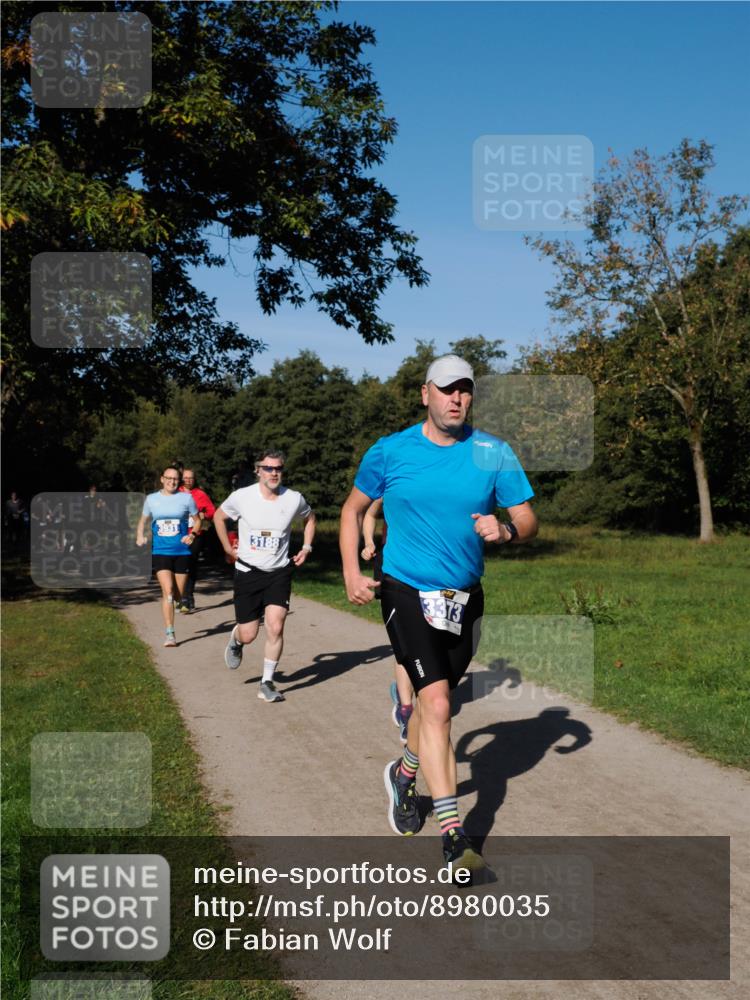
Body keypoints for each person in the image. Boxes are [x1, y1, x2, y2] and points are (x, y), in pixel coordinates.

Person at [340, 354, 538, 875]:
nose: (457, 398)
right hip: (404, 589)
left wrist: (508, 531)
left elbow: (527, 519)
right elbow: (352, 510)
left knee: (437, 708)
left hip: (464, 599)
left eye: (465, 389)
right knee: (438, 706)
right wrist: (350, 573)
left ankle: (406, 773)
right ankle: (455, 834)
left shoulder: (493, 452)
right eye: (447, 389)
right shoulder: (391, 451)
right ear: (425, 393)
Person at [213, 449, 316, 703]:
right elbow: (218, 516)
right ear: (258, 470)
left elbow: (310, 518)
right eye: (268, 468)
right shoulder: (242, 497)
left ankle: (267, 682)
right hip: (248, 572)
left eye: (278, 468)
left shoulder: (293, 499)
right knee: (249, 633)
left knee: (276, 625)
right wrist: (227, 547)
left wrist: (306, 547)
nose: (274, 473)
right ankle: (237, 640)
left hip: (278, 573)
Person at [361, 497, 414, 744]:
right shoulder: (392, 487)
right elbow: (369, 514)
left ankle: (404, 692)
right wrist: (369, 543)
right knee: (405, 640)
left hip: (432, 567)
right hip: (392, 566)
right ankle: (406, 710)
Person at [136, 466, 200, 646]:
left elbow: (198, 522)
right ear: (162, 479)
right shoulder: (151, 499)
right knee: (168, 591)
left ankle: (180, 602)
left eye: (175, 479)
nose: (172, 481)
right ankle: (170, 633)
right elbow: (142, 522)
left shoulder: (187, 499)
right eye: (169, 478)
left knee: (178, 596)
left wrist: (192, 535)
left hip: (182, 552)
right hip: (160, 552)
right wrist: (140, 536)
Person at [178, 469, 216, 613]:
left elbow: (212, 511)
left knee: (190, 563)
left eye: (191, 478)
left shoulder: (200, 494)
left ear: (194, 479)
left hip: (195, 534)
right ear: (182, 479)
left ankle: (188, 596)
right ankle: (180, 595)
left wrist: (203, 514)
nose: (188, 480)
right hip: (177, 535)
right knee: (178, 565)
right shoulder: (176, 493)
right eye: (185, 478)